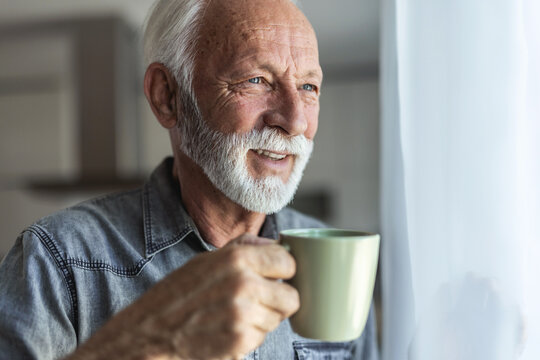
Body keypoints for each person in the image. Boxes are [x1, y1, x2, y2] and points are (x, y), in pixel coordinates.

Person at [0, 0, 379, 359]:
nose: (295, 121)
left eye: (308, 87)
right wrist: (156, 341)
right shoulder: (56, 261)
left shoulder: (337, 258)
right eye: (257, 80)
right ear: (167, 97)